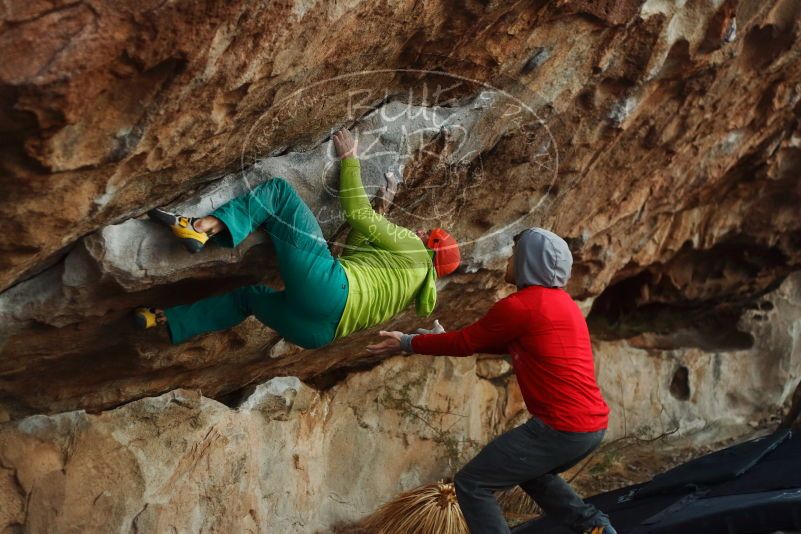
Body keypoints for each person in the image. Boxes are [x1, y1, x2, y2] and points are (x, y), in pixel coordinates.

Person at [367, 228, 615, 534]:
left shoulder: (520, 306)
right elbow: (503, 343)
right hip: (590, 427)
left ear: (529, 262)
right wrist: (440, 339)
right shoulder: (563, 305)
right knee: (534, 474)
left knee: (472, 483)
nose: (509, 261)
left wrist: (407, 342)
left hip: (561, 427)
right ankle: (596, 528)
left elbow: (466, 343)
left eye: (515, 255)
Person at [134, 129, 461, 349]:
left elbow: (357, 216)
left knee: (277, 194)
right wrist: (382, 210)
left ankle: (203, 227)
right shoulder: (413, 286)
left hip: (329, 290)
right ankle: (164, 319)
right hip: (316, 333)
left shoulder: (412, 248)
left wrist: (349, 161)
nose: (420, 231)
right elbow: (358, 248)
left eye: (427, 234)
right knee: (247, 299)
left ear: (430, 245)